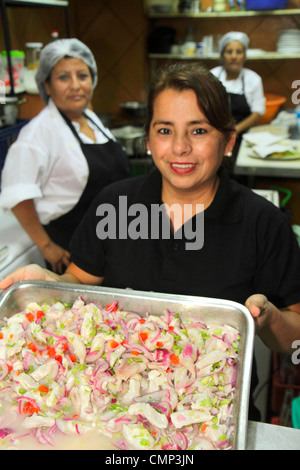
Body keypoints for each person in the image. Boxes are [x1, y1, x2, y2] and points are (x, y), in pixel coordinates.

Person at [1, 62, 300, 422]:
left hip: (213, 417)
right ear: (147, 141)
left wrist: (267, 319)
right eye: (164, 130)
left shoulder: (262, 223)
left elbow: (293, 338)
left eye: (199, 130)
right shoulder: (115, 205)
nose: (179, 147)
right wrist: (46, 283)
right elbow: (78, 283)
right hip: (112, 411)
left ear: (228, 142)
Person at [0, 39, 129, 274]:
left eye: (82, 75)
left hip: (111, 239)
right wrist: (47, 247)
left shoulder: (91, 119)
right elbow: (17, 194)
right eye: (63, 78)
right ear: (46, 85)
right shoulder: (38, 133)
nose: (75, 85)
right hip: (73, 248)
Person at [211, 32, 265, 152]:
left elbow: (257, 113)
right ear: (222, 56)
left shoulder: (253, 79)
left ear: (244, 56)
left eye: (239, 52)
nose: (234, 56)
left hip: (242, 138)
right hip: (213, 137)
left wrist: (234, 131)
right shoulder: (212, 76)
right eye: (229, 52)